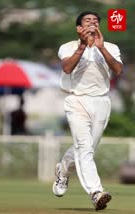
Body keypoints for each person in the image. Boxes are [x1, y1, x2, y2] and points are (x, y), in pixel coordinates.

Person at [52, 11, 123, 210]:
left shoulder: (110, 47)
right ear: (79, 28)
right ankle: (96, 192)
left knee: (88, 149)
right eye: (87, 21)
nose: (92, 23)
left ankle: (63, 169)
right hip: (77, 100)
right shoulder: (68, 47)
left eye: (95, 21)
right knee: (84, 148)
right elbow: (66, 68)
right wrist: (83, 46)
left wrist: (101, 48)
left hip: (101, 102)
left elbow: (117, 70)